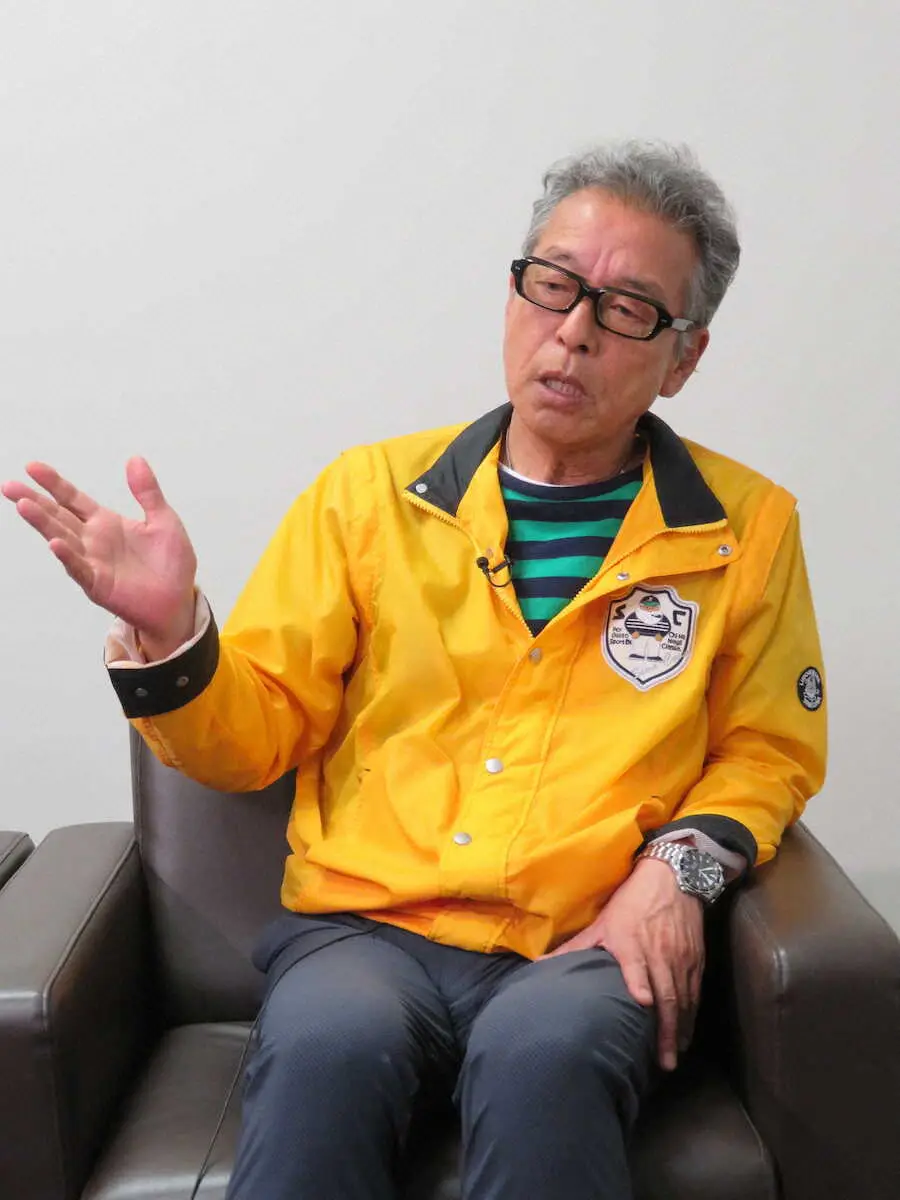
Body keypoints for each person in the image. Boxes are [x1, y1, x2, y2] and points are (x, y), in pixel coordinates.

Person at [2, 141, 827, 1200]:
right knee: (327, 1049)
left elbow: (768, 753)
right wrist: (173, 637)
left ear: (684, 356)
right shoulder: (367, 498)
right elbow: (254, 737)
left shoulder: (746, 531)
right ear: (515, 292)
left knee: (547, 1060)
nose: (573, 330)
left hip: (581, 943)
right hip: (364, 934)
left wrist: (676, 875)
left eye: (626, 309)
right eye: (553, 284)